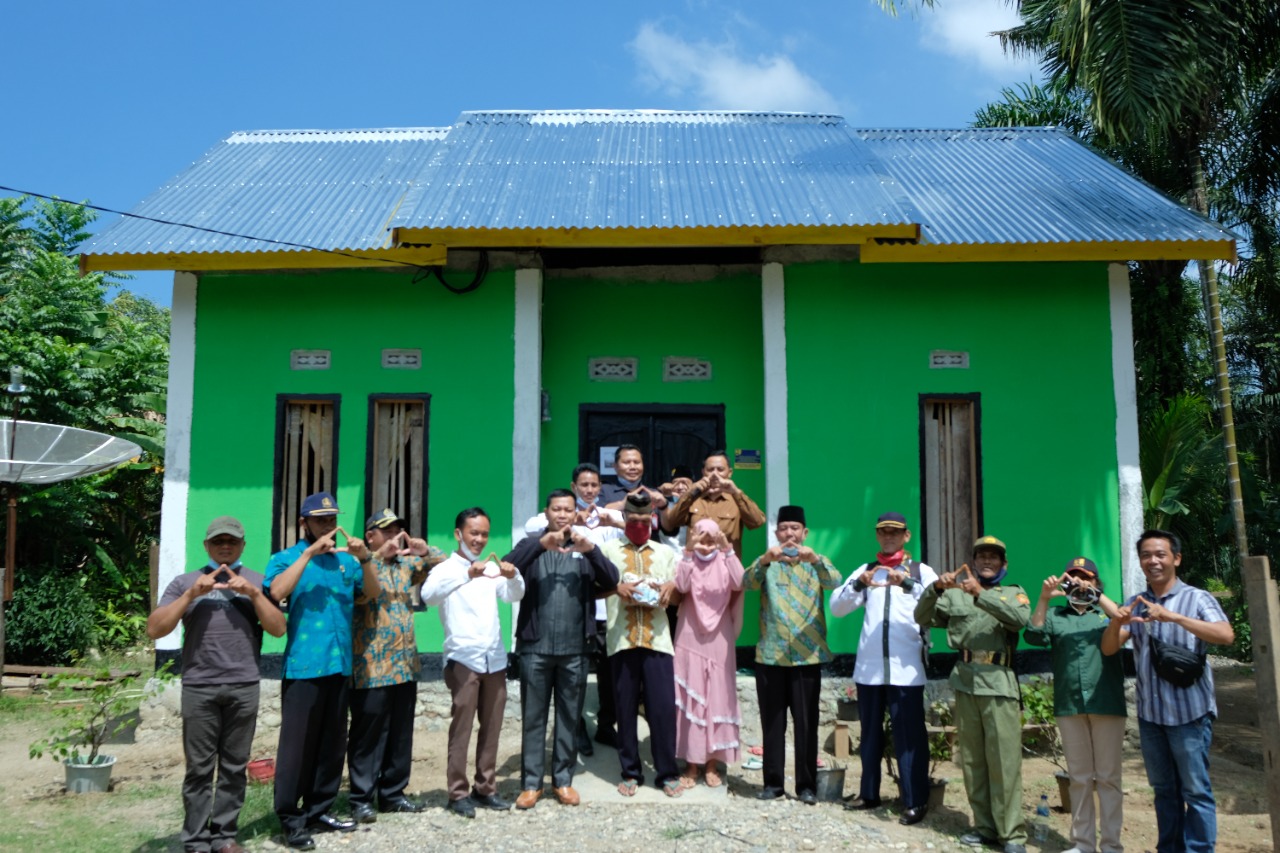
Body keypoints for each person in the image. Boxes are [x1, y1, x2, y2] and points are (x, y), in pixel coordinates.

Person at [147, 516, 286, 853]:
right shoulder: (184, 582)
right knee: (199, 768)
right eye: (218, 541)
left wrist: (253, 593)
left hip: (243, 685)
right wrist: (192, 594)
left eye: (232, 541)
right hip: (199, 687)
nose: (225, 546)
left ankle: (224, 836)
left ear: (242, 545)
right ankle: (195, 839)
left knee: (235, 767)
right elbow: (155, 628)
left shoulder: (258, 580)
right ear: (206, 545)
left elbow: (279, 627)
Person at [1101, 530, 1233, 853]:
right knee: (1163, 790)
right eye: (1146, 555)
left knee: (1195, 790)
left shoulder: (1198, 598)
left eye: (1160, 554)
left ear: (1176, 558)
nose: (1153, 561)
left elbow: (1225, 635)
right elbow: (1108, 650)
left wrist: (1173, 617)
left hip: (1190, 712)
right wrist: (1117, 621)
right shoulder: (1136, 602)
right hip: (1151, 715)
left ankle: (1199, 849)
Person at [265, 492, 380, 851]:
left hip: (339, 664)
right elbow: (276, 593)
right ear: (305, 523)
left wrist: (366, 559)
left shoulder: (346, 563)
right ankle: (290, 816)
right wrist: (308, 554)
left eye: (332, 519)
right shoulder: (285, 559)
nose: (328, 526)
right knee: (297, 747)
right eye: (320, 520)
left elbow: (372, 593)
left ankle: (319, 809)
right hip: (304, 666)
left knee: (332, 745)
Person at [504, 489, 620, 809]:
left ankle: (563, 781)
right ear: (547, 512)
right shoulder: (531, 545)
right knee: (533, 716)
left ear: (575, 513)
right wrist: (540, 545)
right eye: (557, 509)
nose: (563, 515)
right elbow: (506, 567)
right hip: (535, 648)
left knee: (569, 716)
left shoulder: (584, 547)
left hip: (575, 650)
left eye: (569, 510)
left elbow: (613, 578)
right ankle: (531, 784)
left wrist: (592, 550)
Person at [915, 535, 1031, 853]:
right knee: (972, 760)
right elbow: (922, 617)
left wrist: (980, 594)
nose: (988, 562)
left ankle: (1012, 835)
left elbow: (1020, 620)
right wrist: (937, 589)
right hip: (965, 682)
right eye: (982, 557)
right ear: (975, 561)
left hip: (999, 684)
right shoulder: (957, 596)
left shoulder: (1014, 593)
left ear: (1003, 563)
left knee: (1004, 762)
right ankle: (985, 828)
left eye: (994, 557)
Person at [830, 511, 938, 826]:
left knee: (910, 737)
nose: (888, 536)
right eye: (883, 532)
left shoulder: (920, 570)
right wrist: (857, 586)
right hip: (870, 670)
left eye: (895, 532)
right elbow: (837, 607)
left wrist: (908, 583)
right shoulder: (866, 570)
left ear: (906, 536)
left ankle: (914, 801)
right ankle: (868, 793)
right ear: (878, 536)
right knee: (870, 736)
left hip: (906, 669)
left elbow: (937, 606)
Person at [421, 507, 525, 818]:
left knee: (492, 727)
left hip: (494, 658)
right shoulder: (446, 568)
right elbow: (428, 596)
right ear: (459, 534)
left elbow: (513, 595)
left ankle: (486, 788)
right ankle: (457, 793)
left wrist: (513, 575)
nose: (479, 539)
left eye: (483, 534)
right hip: (462, 657)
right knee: (462, 727)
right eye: (473, 533)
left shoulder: (489, 567)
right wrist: (467, 573)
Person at [347, 508, 445, 823]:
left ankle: (392, 794)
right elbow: (359, 593)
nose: (392, 537)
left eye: (395, 531)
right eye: (385, 531)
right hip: (372, 665)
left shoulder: (405, 566)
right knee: (368, 734)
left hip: (405, 664)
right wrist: (373, 557)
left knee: (400, 734)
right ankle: (361, 797)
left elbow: (444, 564)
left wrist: (424, 549)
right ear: (370, 536)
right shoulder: (358, 565)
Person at [1025, 557, 1126, 853]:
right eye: (1074, 578)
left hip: (1106, 702)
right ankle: (1082, 844)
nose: (1081, 583)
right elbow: (1033, 635)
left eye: (1088, 578)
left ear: (1097, 582)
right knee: (1079, 778)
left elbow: (1122, 616)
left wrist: (1094, 594)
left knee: (1108, 778)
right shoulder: (1057, 615)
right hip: (1069, 704)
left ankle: (1111, 845)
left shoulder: (1105, 612)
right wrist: (1044, 598)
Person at [522, 462, 624, 754]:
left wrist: (611, 520)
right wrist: (569, 519)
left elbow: (638, 526)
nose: (589, 490)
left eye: (594, 486)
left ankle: (606, 726)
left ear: (600, 489)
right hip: (576, 613)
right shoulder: (561, 517)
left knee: (609, 676)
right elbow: (530, 527)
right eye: (584, 485)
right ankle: (576, 728)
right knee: (574, 679)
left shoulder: (608, 516)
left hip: (608, 609)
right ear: (574, 487)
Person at [743, 504, 841, 803]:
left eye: (794, 528)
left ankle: (806, 787)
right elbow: (745, 583)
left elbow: (835, 582)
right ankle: (772, 784)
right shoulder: (767, 564)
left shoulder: (816, 563)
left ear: (804, 532)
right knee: (772, 724)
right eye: (784, 528)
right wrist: (763, 559)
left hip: (806, 656)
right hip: (770, 655)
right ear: (776, 533)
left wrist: (817, 558)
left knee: (806, 724)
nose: (789, 534)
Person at [600, 491, 682, 798]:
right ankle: (631, 771)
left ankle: (667, 771)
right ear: (624, 520)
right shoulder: (607, 550)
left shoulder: (665, 554)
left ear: (653, 520)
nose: (638, 525)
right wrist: (616, 588)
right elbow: (593, 588)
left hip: (658, 639)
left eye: (644, 520)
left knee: (662, 709)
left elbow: (681, 593)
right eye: (633, 520)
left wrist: (670, 587)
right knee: (625, 709)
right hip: (621, 637)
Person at [672, 518, 744, 789]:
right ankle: (691, 764)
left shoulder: (726, 560)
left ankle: (713, 763)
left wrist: (727, 549)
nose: (706, 542)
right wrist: (689, 551)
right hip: (689, 632)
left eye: (710, 537)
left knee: (717, 696)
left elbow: (740, 581)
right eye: (701, 536)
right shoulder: (687, 559)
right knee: (690, 691)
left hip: (719, 637)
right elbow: (680, 585)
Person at [663, 450, 766, 558]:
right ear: (703, 472)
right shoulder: (693, 499)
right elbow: (672, 522)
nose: (715, 474)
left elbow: (757, 522)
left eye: (720, 470)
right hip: (696, 570)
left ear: (730, 473)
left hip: (726, 570)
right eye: (710, 470)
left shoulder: (737, 501)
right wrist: (690, 492)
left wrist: (736, 492)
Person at [599, 444, 669, 510]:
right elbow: (594, 514)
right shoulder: (603, 490)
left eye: (637, 462)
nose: (632, 467)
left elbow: (667, 522)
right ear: (615, 466)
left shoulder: (653, 494)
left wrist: (664, 505)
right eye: (626, 462)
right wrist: (622, 504)